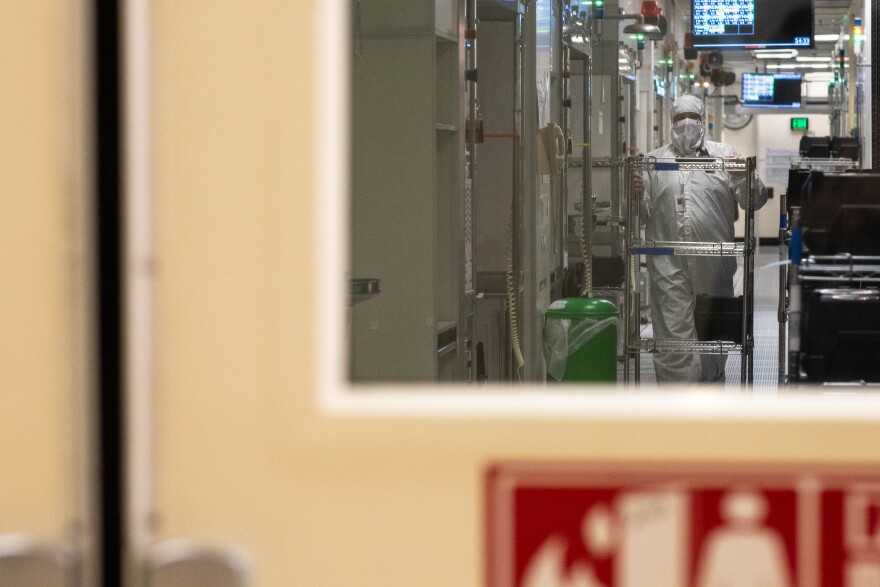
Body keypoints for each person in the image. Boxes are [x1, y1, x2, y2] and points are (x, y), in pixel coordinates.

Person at [632, 94, 768, 383]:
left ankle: (709, 395)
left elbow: (754, 201)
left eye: (691, 118)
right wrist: (633, 193)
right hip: (669, 266)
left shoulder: (724, 156)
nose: (686, 125)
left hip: (714, 264)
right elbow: (639, 215)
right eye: (679, 119)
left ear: (703, 120)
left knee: (712, 335)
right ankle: (676, 407)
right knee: (672, 335)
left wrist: (745, 176)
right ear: (670, 122)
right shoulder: (654, 161)